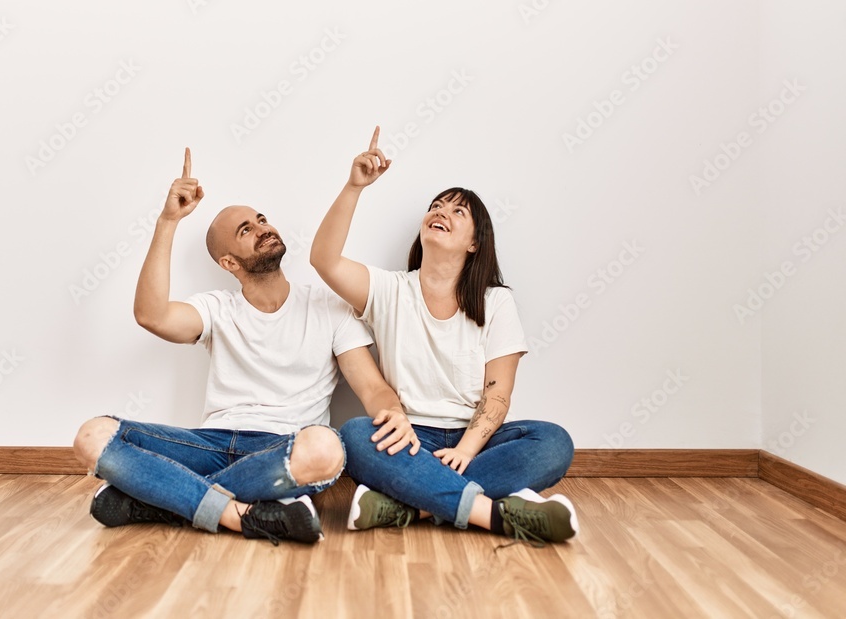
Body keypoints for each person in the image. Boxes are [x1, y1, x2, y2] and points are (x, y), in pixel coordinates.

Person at [73, 148, 419, 545]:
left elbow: (371, 387)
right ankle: (242, 516)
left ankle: (161, 497)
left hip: (282, 448)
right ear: (229, 263)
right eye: (246, 231)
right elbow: (151, 315)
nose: (262, 228)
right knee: (92, 436)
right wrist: (169, 220)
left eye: (261, 220)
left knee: (326, 448)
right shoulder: (217, 309)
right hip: (210, 443)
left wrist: (393, 412)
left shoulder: (329, 306)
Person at [309, 127, 578, 545]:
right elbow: (323, 260)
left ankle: (409, 504)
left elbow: (498, 394)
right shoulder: (389, 290)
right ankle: (491, 514)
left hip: (476, 438)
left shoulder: (496, 302)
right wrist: (353, 187)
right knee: (355, 436)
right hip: (409, 437)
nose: (442, 212)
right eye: (437, 206)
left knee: (553, 441)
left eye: (458, 212)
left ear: (475, 243)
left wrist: (467, 450)